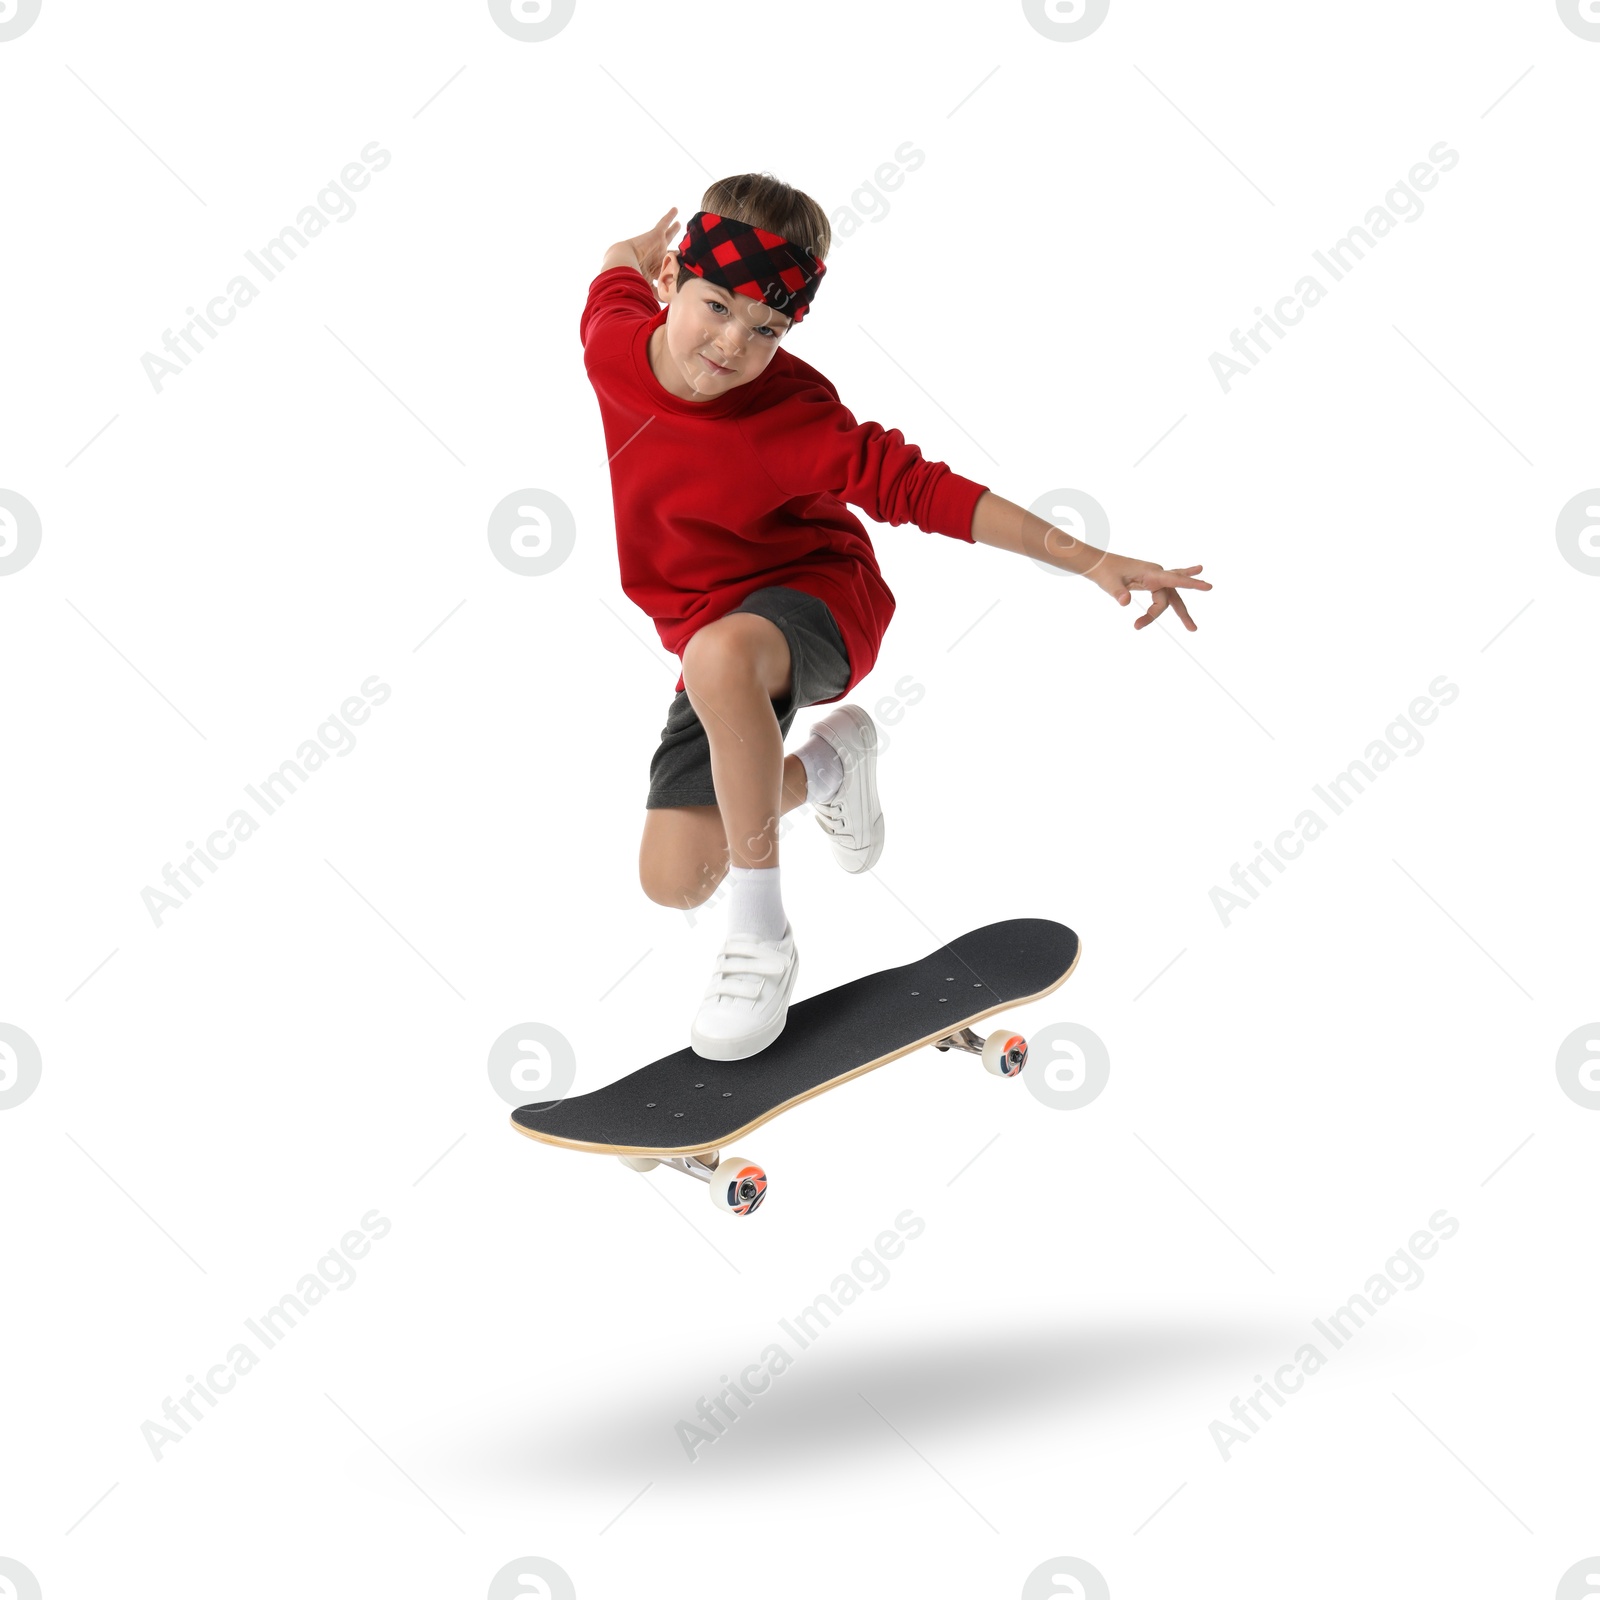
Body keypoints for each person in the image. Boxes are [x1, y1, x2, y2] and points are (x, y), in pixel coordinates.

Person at [580, 173, 1211, 1062]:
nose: (732, 343)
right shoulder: (612, 340)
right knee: (674, 879)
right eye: (717, 306)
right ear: (675, 281)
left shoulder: (790, 418)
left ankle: (760, 939)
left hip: (821, 604)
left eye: (768, 329)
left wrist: (1092, 559)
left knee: (723, 657)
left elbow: (928, 491)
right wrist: (626, 253)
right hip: (714, 634)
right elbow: (611, 274)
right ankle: (832, 766)